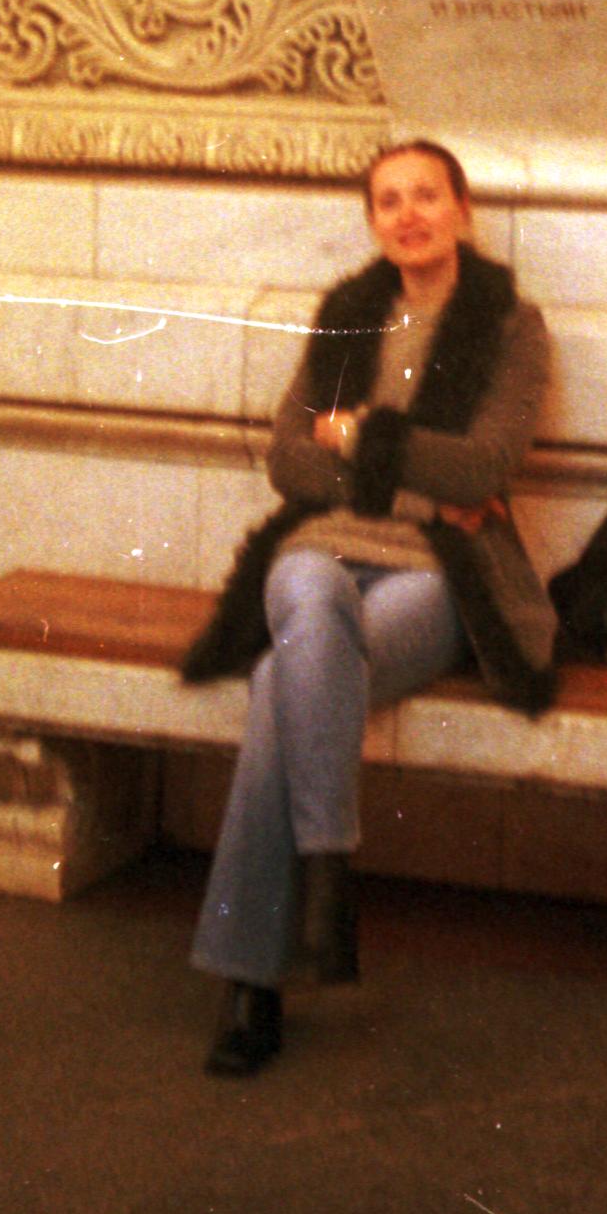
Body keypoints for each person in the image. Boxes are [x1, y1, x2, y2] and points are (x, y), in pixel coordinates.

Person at [181, 137, 556, 1077]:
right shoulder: (347, 313)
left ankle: (253, 974)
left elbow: (484, 465)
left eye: (426, 194)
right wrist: (410, 474)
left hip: (436, 570)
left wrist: (357, 439)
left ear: (461, 208)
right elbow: (287, 457)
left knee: (283, 676)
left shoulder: (509, 324)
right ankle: (322, 873)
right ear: (372, 219)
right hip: (319, 549)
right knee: (306, 602)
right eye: (388, 200)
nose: (408, 214)